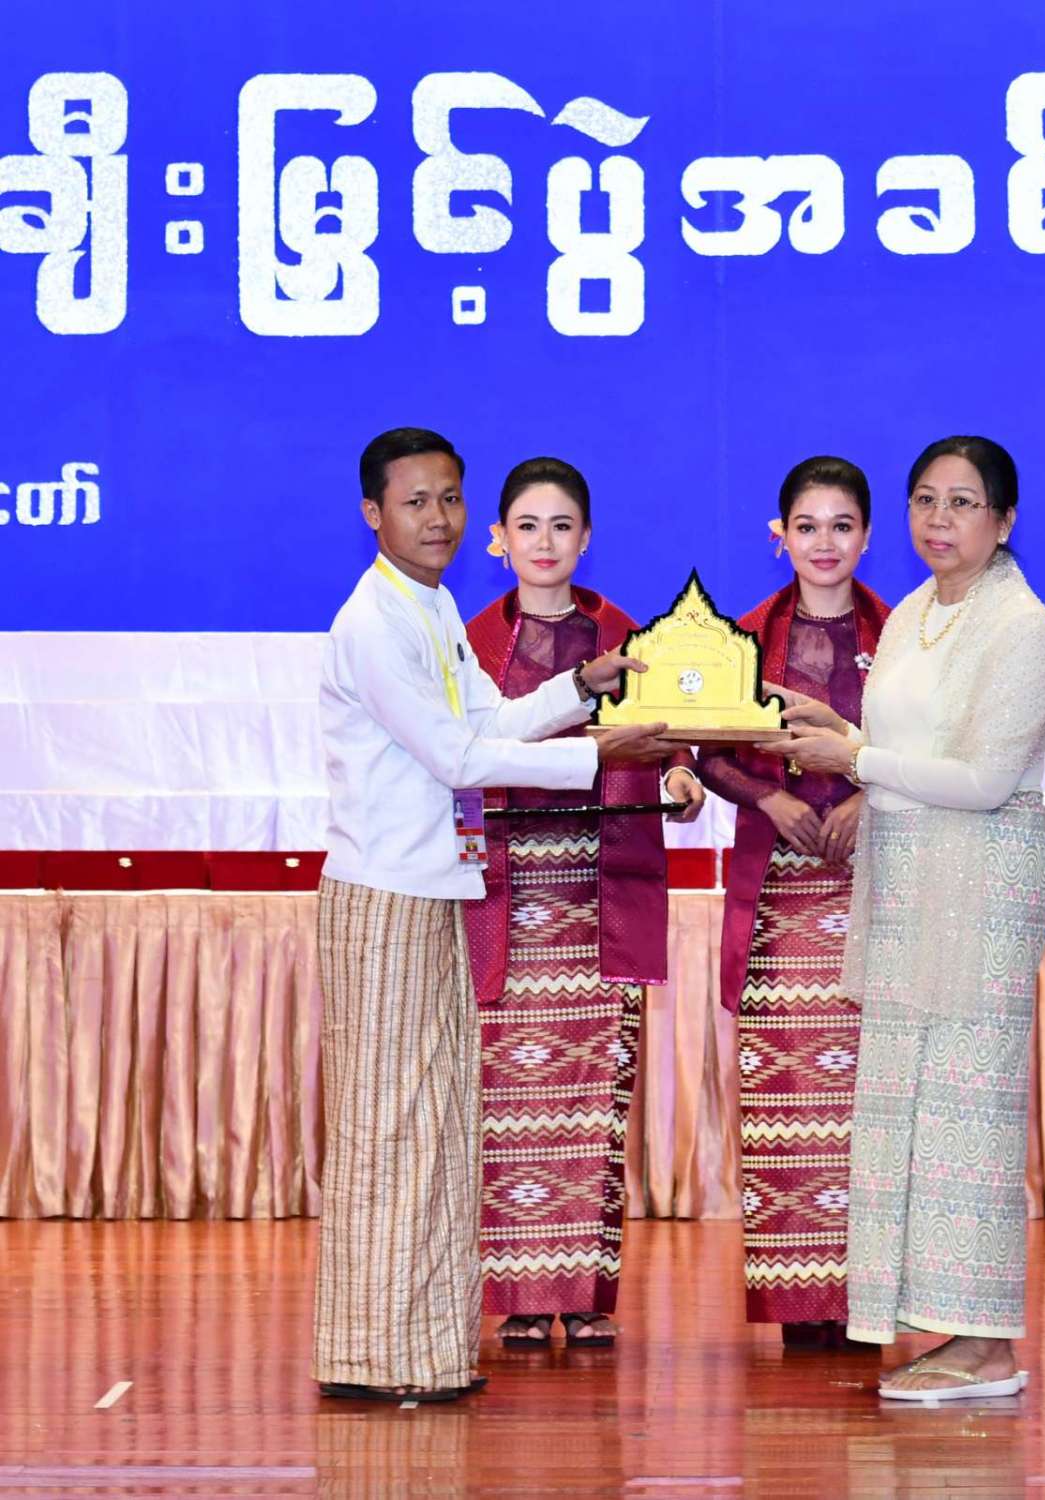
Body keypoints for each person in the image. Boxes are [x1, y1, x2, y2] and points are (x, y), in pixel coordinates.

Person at [313, 427, 671, 1402]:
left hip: (436, 889)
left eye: (449, 499)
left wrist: (580, 688)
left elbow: (488, 721)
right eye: (414, 502)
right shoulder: (373, 623)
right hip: (385, 894)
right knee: (390, 1130)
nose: (436, 519)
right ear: (372, 514)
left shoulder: (429, 607)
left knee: (436, 1130)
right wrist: (600, 752)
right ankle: (370, 1355)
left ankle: (424, 1349)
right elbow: (459, 758)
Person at [763, 435, 1045, 1401]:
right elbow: (905, 747)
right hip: (905, 878)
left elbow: (982, 780)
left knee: (970, 1113)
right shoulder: (914, 615)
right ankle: (946, 1328)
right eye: (925, 500)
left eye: (963, 503)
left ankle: (989, 1343)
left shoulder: (1020, 626)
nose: (939, 520)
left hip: (981, 881)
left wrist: (853, 760)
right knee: (915, 1110)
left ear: (1003, 521)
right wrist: (838, 731)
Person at [463, 457, 704, 1349]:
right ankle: (524, 1298)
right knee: (509, 1108)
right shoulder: (470, 642)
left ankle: (589, 1295)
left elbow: (674, 743)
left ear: (586, 537)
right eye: (527, 526)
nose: (545, 542)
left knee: (595, 1100)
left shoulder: (628, 639)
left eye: (561, 525)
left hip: (598, 897)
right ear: (499, 539)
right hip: (504, 900)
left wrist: (680, 778)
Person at [699, 456, 889, 1347]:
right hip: (777, 898)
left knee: (870, 1103)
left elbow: (929, 748)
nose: (824, 542)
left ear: (867, 535)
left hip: (877, 888)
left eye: (841, 525)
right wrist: (769, 799)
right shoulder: (742, 639)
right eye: (806, 526)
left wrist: (866, 795)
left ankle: (870, 1298)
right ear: (780, 537)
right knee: (786, 1103)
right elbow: (705, 749)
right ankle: (797, 1303)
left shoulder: (906, 635)